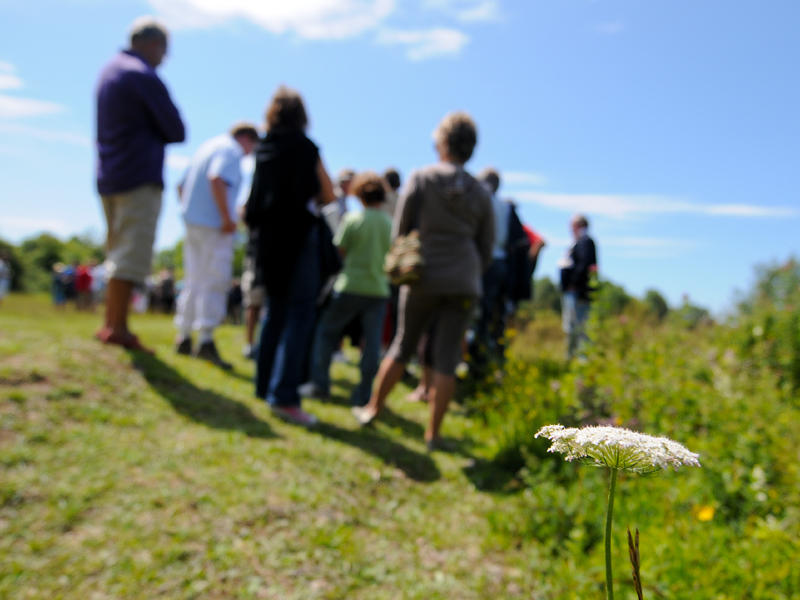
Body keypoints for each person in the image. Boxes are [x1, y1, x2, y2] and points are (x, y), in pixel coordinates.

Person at [352, 111, 494, 450]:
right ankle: (433, 434)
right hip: (463, 280)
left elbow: (401, 230)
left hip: (423, 275)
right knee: (448, 357)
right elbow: (486, 246)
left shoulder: (422, 177)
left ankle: (373, 409)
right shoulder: (480, 192)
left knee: (403, 343)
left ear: (443, 142)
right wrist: (469, 271)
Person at [244, 86, 335, 426]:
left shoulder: (264, 147)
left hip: (268, 241)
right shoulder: (306, 148)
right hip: (299, 237)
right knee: (299, 315)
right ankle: (284, 397)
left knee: (275, 311)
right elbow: (328, 193)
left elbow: (254, 199)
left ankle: (264, 384)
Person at [94, 16, 185, 352]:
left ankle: (111, 322)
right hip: (138, 175)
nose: (164, 58)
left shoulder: (109, 71)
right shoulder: (142, 75)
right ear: (153, 44)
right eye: (164, 50)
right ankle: (117, 327)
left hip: (109, 174)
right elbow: (177, 130)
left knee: (117, 249)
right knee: (129, 254)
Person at [300, 171, 393, 406]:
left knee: (326, 333)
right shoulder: (389, 224)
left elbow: (339, 250)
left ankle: (320, 384)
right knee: (371, 344)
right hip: (378, 289)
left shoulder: (353, 219)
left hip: (350, 285)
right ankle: (364, 394)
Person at [173, 123, 259, 369]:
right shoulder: (230, 150)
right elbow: (217, 178)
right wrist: (226, 218)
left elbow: (181, 186)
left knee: (194, 279)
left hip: (193, 223)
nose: (250, 154)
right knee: (215, 280)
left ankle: (184, 336)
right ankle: (206, 341)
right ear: (247, 139)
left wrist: (190, 211)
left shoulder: (206, 147)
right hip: (214, 225)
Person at [559, 213, 598, 360]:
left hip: (577, 293)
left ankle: (581, 362)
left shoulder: (585, 242)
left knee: (580, 327)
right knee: (572, 327)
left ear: (579, 226)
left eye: (572, 225)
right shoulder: (579, 242)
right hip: (573, 292)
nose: (570, 228)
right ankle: (573, 359)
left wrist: (573, 284)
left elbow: (584, 266)